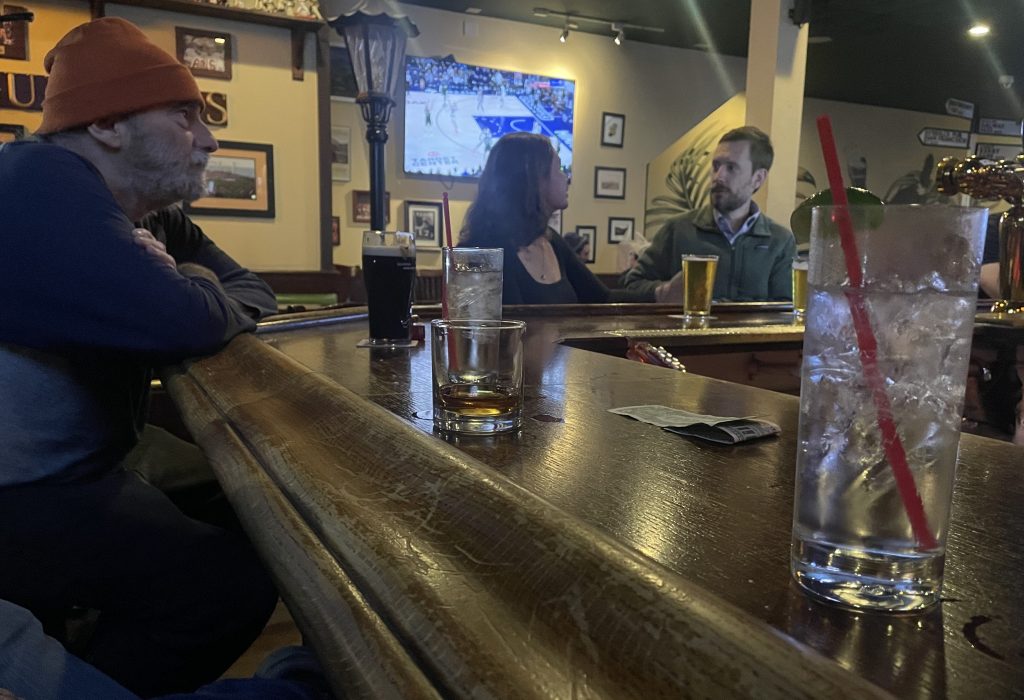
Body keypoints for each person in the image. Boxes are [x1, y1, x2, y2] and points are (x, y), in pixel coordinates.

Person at [0, 17, 279, 696]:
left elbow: (248, 291)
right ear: (107, 126)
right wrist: (187, 292)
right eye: (185, 116)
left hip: (84, 465)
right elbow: (185, 319)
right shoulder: (40, 182)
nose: (210, 138)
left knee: (250, 504)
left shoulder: (150, 214)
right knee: (229, 587)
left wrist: (188, 281)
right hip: (20, 492)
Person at [459, 132, 652, 304]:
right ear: (535, 180)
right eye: (559, 169)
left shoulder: (551, 241)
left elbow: (603, 298)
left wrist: (662, 293)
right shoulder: (483, 249)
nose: (565, 178)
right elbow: (502, 335)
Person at [623, 126, 797, 302]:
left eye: (731, 167)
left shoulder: (779, 241)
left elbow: (785, 311)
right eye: (716, 166)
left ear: (758, 178)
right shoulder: (678, 230)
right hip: (689, 329)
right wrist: (664, 292)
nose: (718, 176)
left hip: (750, 331)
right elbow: (631, 285)